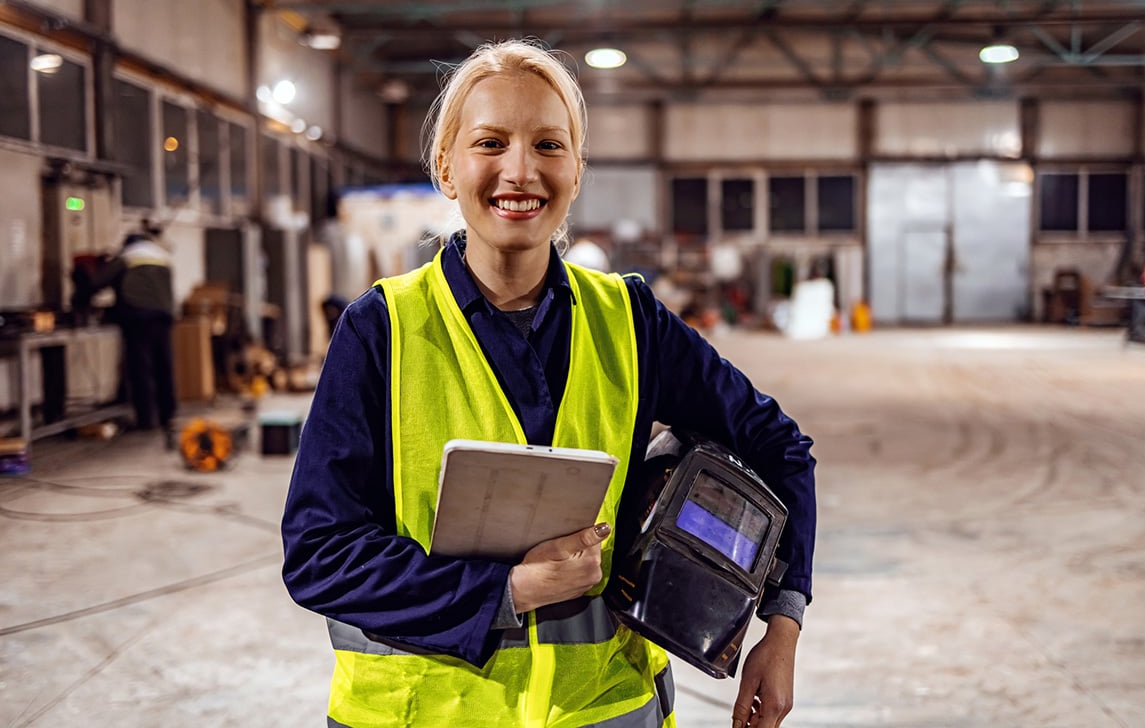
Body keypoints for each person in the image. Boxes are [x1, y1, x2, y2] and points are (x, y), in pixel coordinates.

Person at [280, 39, 817, 728]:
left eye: (548, 145)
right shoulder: (382, 329)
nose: (520, 170)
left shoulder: (631, 321)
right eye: (490, 142)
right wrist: (508, 590)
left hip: (606, 712)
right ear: (446, 167)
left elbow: (780, 448)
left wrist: (783, 623)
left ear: (577, 169)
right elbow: (321, 557)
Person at [91, 219, 177, 439]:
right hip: (164, 316)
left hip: (138, 318)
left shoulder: (127, 257)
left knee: (141, 369)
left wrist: (82, 290)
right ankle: (168, 415)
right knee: (163, 366)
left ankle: (146, 419)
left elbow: (97, 283)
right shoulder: (162, 256)